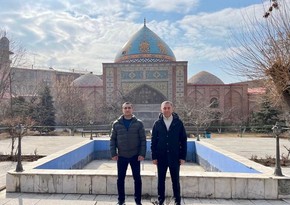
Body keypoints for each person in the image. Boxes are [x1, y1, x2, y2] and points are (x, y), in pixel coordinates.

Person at [151, 101, 187, 205]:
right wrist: (154, 156)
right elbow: (154, 141)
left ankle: (177, 201)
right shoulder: (157, 124)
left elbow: (183, 140)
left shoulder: (178, 123)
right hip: (161, 157)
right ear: (161, 109)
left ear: (172, 109)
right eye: (164, 108)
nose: (166, 110)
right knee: (160, 180)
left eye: (168, 108)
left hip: (174, 156)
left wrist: (182, 156)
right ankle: (160, 200)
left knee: (175, 180)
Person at [110, 102, 147, 205]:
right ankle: (121, 200)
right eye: (125, 108)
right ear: (122, 109)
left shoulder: (138, 123)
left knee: (137, 179)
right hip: (121, 156)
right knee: (120, 179)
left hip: (135, 156)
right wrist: (113, 153)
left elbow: (143, 140)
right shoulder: (116, 124)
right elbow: (112, 139)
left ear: (132, 109)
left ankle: (138, 201)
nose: (127, 110)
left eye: (129, 108)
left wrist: (142, 154)